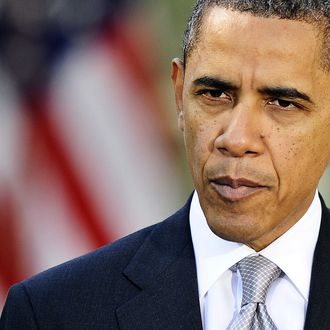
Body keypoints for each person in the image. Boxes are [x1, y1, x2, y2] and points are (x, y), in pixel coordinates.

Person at [1, 0, 330, 329]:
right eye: (214, 94)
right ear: (179, 95)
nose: (237, 138)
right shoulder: (49, 313)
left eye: (283, 103)